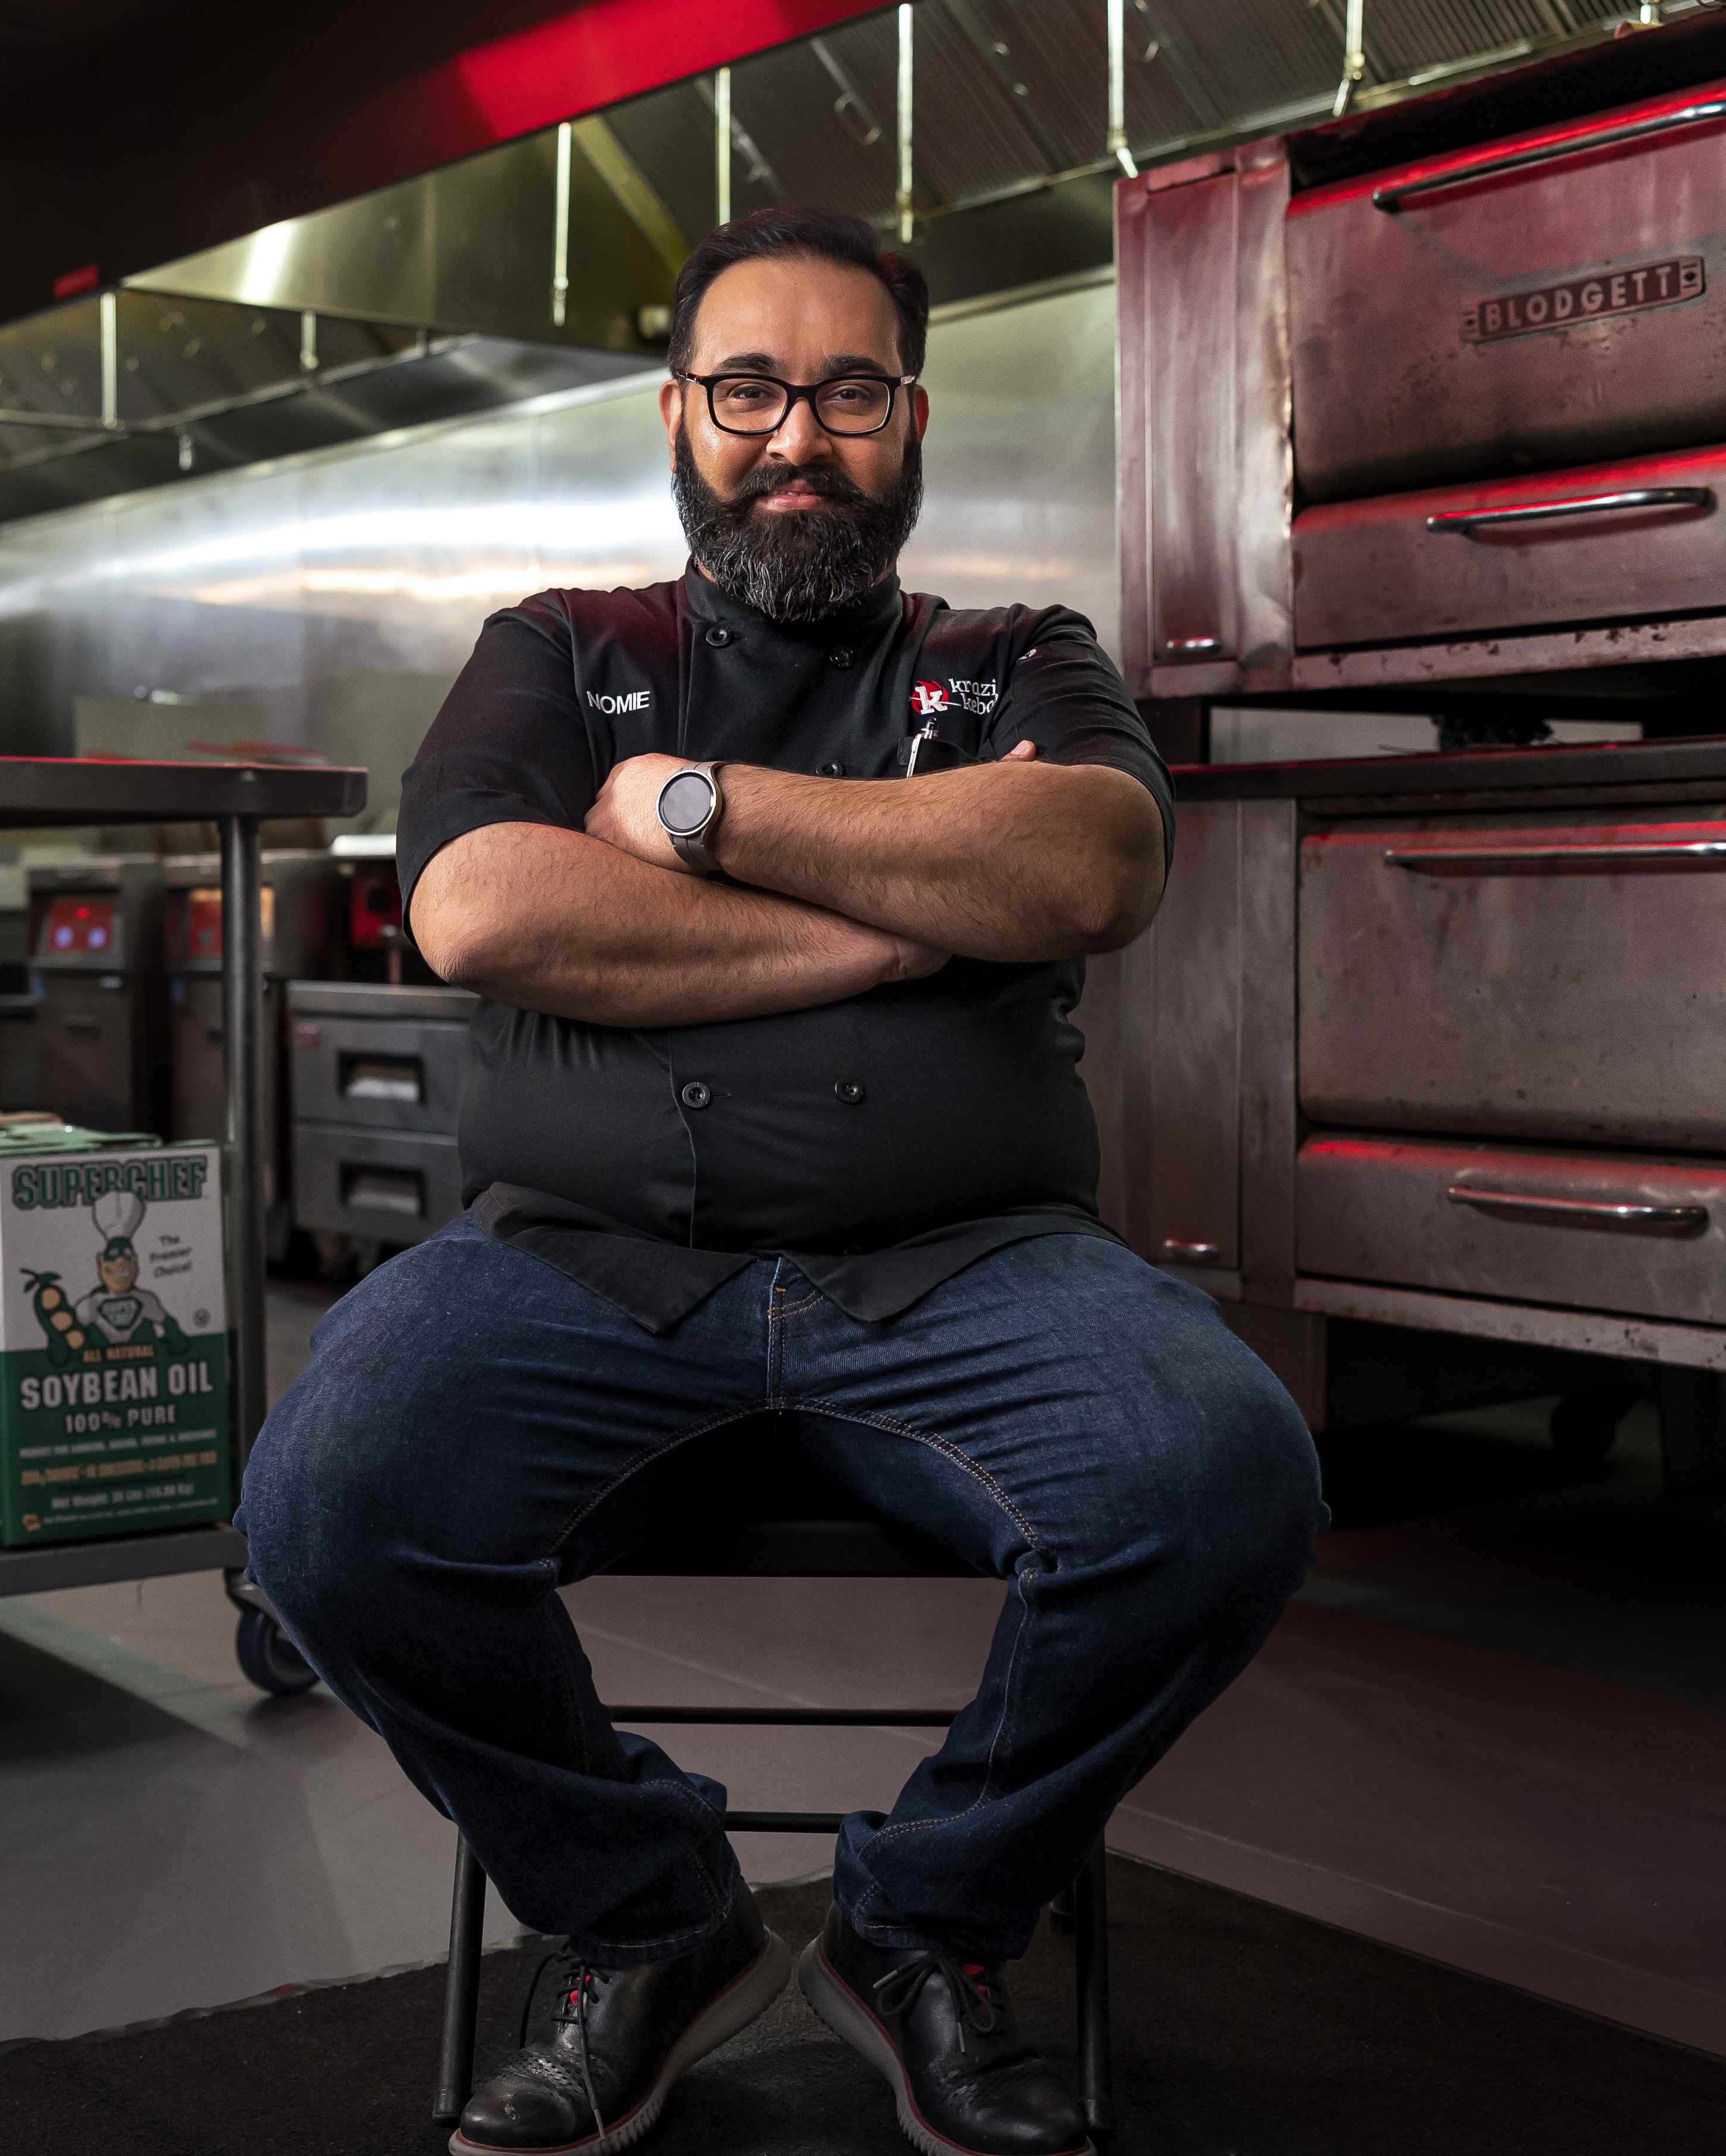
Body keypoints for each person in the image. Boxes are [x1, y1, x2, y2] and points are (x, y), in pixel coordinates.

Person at [241, 206, 1323, 2156]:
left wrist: (697, 820)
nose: (793, 436)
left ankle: (925, 1925)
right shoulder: (562, 648)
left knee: (1221, 1477)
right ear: (681, 412)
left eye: (845, 391)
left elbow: (1088, 869)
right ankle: (646, 1919)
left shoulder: (1017, 659)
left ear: (910, 419)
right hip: (573, 1271)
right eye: (750, 387)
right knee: (325, 1509)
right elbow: (483, 906)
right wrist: (906, 918)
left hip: (971, 1270)